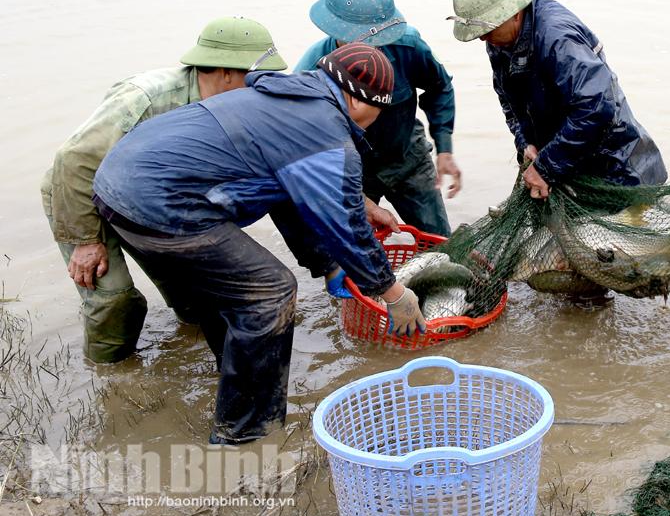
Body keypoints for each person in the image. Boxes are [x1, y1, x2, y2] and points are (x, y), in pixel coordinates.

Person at [92, 44, 426, 444]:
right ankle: (246, 434)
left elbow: (286, 194)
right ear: (356, 100)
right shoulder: (324, 131)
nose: (376, 121)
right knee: (270, 291)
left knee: (230, 288)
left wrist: (328, 258)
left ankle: (230, 378)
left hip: (116, 188)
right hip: (160, 204)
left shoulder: (285, 97)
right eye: (379, 110)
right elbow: (349, 230)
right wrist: (392, 292)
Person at [40, 16, 288, 364]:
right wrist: (86, 240)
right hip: (81, 195)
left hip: (147, 203)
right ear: (226, 72)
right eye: (256, 75)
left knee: (194, 300)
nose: (262, 85)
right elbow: (74, 161)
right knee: (115, 300)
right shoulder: (147, 98)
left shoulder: (234, 105)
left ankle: (183, 346)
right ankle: (110, 374)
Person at [448, 0, 667, 199]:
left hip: (616, 169)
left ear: (514, 13)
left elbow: (596, 108)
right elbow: (508, 101)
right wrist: (526, 143)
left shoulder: (558, 38)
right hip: (565, 165)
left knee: (631, 230)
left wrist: (546, 166)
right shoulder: (499, 40)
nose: (483, 39)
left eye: (487, 31)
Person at [293, 0, 459, 235]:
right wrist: (358, 197)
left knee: (440, 242)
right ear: (334, 31)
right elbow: (307, 151)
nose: (370, 49)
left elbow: (439, 88)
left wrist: (444, 147)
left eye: (377, 42)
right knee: (347, 249)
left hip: (408, 159)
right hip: (351, 171)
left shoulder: (410, 46)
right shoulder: (311, 71)